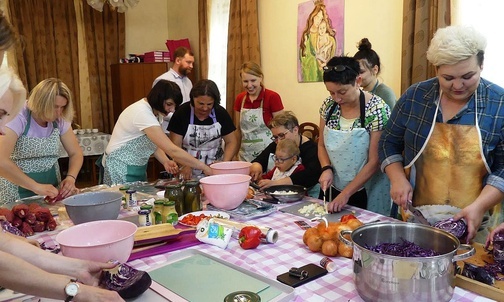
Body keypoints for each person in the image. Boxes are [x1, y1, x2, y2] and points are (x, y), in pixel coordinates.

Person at [379, 25, 504, 243]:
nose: (458, 85)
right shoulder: (415, 97)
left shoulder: (499, 102)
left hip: (475, 222)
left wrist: (479, 206)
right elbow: (388, 143)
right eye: (448, 78)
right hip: (415, 219)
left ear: (481, 65)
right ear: (436, 69)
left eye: (468, 76)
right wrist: (397, 178)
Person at [318, 56, 391, 216]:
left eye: (342, 92)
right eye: (331, 92)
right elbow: (321, 145)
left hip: (368, 187)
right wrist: (326, 168)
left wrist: (346, 194)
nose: (336, 98)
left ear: (358, 81)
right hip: (335, 184)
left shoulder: (377, 109)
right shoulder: (329, 107)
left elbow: (374, 161)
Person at [103, 80, 212, 185]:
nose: (172, 110)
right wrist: (204, 167)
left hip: (136, 167)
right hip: (119, 166)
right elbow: (172, 150)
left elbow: (154, 142)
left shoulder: (154, 112)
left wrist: (165, 161)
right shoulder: (142, 112)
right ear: (158, 98)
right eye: (169, 104)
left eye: (174, 106)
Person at [0, 78, 83, 204]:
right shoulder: (18, 115)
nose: (58, 112)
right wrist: (35, 186)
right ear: (41, 103)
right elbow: (1, 160)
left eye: (62, 107)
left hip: (50, 187)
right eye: (55, 107)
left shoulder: (60, 118)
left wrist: (71, 178)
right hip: (16, 189)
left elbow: (75, 153)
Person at [169, 79, 238, 179]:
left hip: (214, 170)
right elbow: (175, 146)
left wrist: (223, 163)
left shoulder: (220, 113)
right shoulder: (182, 113)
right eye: (201, 104)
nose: (205, 108)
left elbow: (231, 141)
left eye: (209, 104)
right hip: (187, 171)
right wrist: (184, 165)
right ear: (193, 99)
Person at [250, 111, 321, 197]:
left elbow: (309, 176)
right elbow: (261, 159)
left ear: (295, 130)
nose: (279, 141)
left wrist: (275, 183)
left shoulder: (312, 149)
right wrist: (257, 165)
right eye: (275, 137)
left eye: (282, 135)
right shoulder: (278, 144)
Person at [234, 61, 284, 162]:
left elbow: (282, 130)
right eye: (245, 81)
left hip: (268, 153)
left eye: (253, 80)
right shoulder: (240, 99)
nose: (249, 85)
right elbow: (238, 130)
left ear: (261, 77)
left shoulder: (272, 97)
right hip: (245, 155)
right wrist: (234, 154)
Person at [153, 46, 195, 133]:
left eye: (192, 63)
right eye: (188, 62)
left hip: (186, 128)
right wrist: (178, 118)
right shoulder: (162, 80)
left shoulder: (189, 82)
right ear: (178, 61)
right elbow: (158, 108)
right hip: (168, 130)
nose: (191, 66)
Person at [354, 38, 396, 109]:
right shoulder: (358, 93)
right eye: (355, 72)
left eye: (361, 72)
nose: (357, 77)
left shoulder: (385, 94)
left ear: (375, 69)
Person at [299, 2, 335, 82]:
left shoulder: (323, 34)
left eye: (321, 18)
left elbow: (330, 44)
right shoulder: (306, 36)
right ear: (313, 16)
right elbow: (304, 56)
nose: (318, 20)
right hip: (313, 69)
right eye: (317, 17)